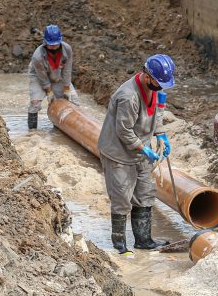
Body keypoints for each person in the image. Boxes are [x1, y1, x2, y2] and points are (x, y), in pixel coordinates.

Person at [97, 54, 175, 254]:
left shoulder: (154, 89)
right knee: (122, 197)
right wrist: (144, 149)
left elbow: (157, 112)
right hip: (119, 153)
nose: (162, 87)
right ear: (147, 76)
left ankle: (143, 240)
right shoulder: (128, 96)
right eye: (159, 82)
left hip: (140, 150)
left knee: (145, 193)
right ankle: (119, 245)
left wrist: (161, 134)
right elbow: (123, 131)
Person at [27, 25, 78, 130]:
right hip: (38, 76)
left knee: (74, 100)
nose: (54, 47)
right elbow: (42, 78)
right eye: (51, 45)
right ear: (45, 43)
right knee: (35, 104)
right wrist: (49, 92)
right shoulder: (38, 56)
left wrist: (66, 88)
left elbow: (67, 70)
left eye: (56, 44)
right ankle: (32, 131)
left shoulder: (67, 49)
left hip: (57, 74)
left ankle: (64, 128)